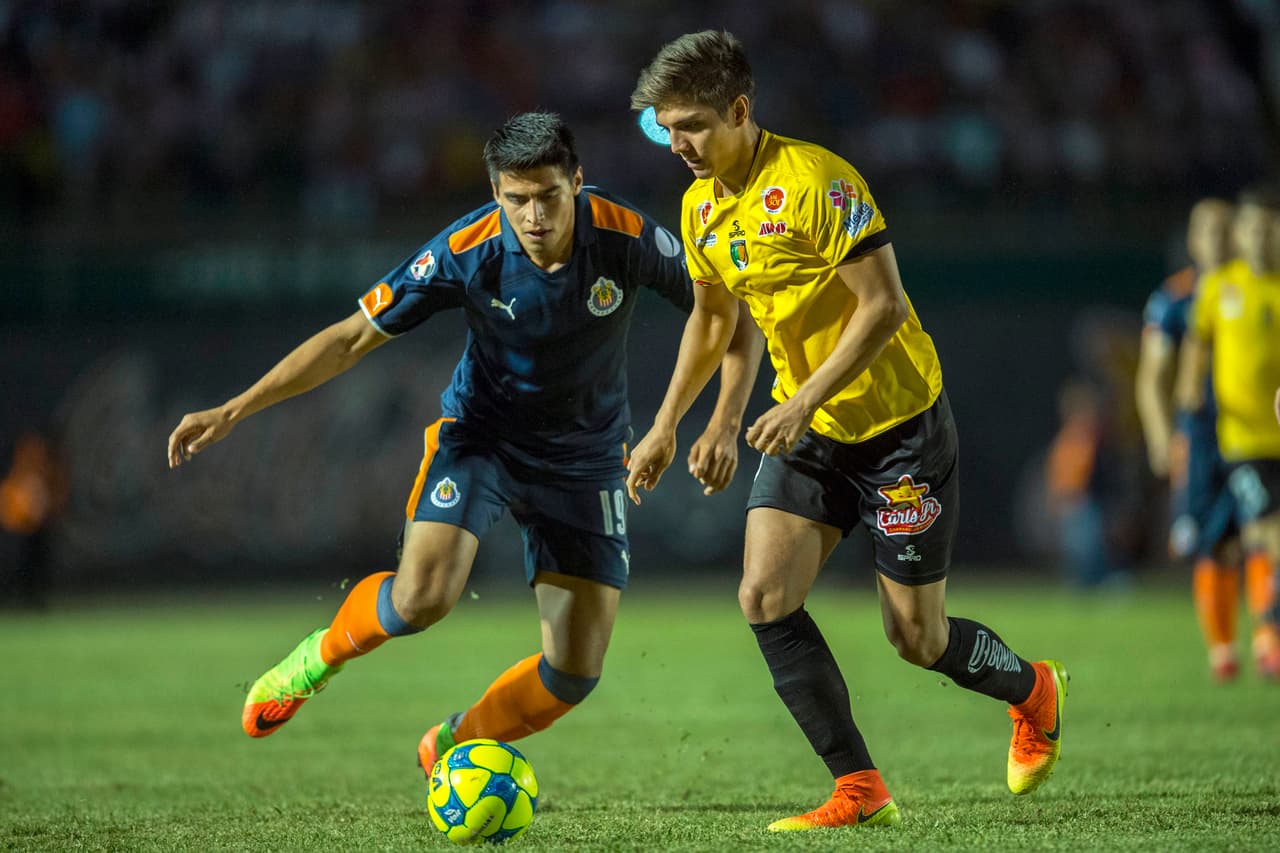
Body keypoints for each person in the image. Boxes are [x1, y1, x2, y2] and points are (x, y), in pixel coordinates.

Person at [166, 112, 760, 765]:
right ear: (495, 193)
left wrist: (716, 422)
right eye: (516, 199)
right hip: (484, 437)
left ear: (579, 183)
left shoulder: (628, 236)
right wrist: (236, 407)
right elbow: (350, 337)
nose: (533, 216)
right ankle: (318, 657)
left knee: (573, 673)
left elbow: (733, 319)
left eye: (548, 197)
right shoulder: (465, 247)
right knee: (422, 597)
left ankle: (457, 738)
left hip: (586, 458)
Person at [626, 30, 1068, 832]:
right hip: (811, 432)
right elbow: (721, 321)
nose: (679, 143)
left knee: (917, 636)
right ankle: (859, 787)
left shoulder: (818, 182)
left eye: (691, 123)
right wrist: (679, 425)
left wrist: (797, 401)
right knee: (762, 594)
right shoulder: (700, 206)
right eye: (667, 127)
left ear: (740, 109)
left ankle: (1034, 689)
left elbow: (883, 306)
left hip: (899, 429)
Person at [1135, 198, 1255, 681]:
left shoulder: (1261, 290)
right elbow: (1153, 376)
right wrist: (1161, 437)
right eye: (1207, 231)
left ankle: (1268, 638)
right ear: (1192, 240)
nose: (1218, 240)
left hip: (1255, 428)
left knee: (1265, 532)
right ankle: (1223, 648)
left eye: (1226, 230)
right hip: (1202, 434)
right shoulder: (1174, 300)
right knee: (1212, 542)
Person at [1177, 183, 1280, 679]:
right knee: (1261, 533)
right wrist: (1189, 387)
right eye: (1253, 228)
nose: (1261, 238)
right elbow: (1197, 343)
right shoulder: (1220, 288)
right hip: (1242, 441)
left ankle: (1266, 634)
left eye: (1269, 229)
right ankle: (1263, 635)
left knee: (1258, 538)